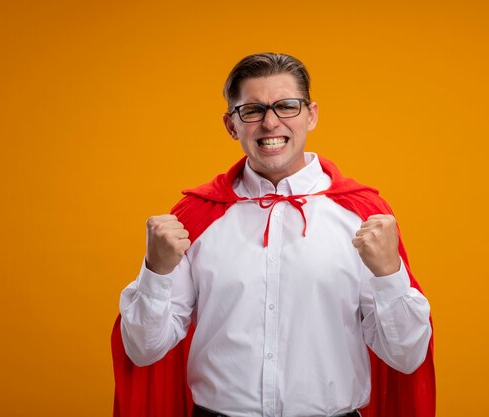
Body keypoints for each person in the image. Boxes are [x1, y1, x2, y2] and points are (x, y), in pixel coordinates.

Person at [112, 53, 435, 417]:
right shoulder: (194, 219)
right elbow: (143, 350)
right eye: (252, 110)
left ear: (311, 114)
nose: (270, 122)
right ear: (231, 125)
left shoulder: (362, 216)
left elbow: (406, 357)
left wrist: (389, 274)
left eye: (286, 106)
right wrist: (154, 272)